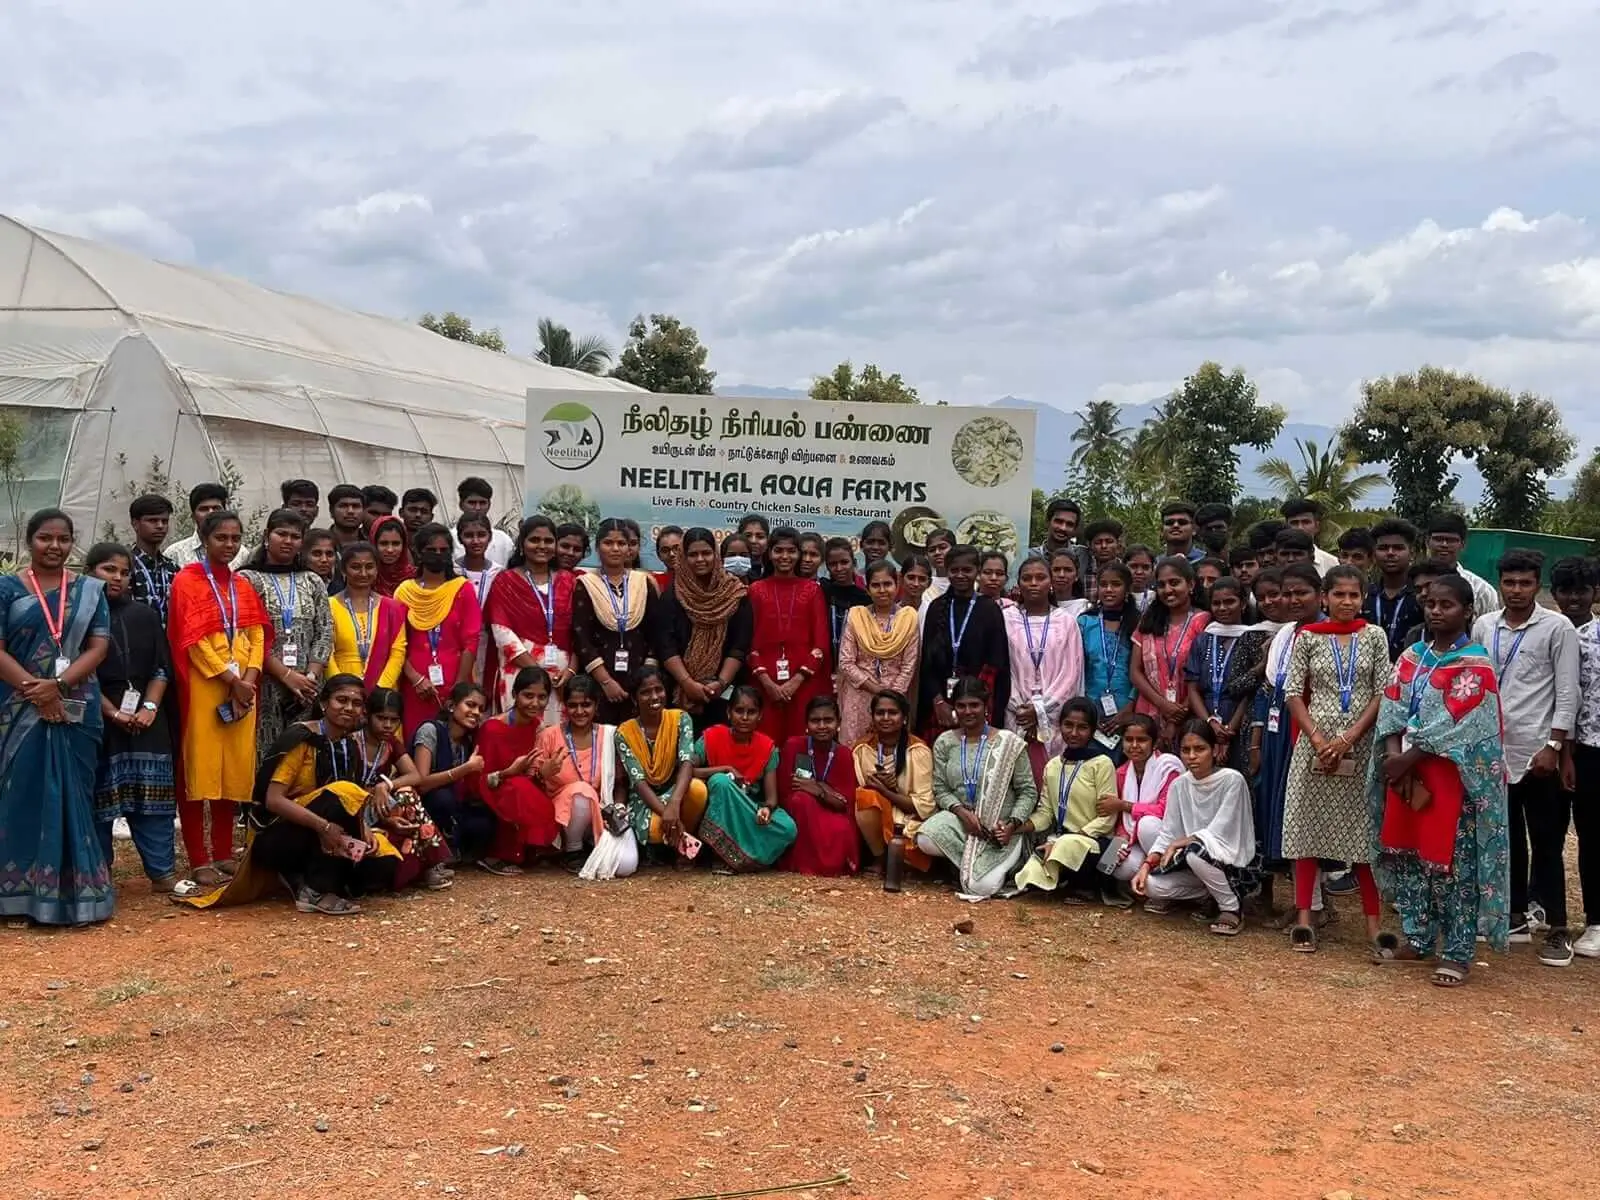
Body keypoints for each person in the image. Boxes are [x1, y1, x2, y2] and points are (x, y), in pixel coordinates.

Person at [1375, 574, 1511, 985]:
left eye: (1446, 605)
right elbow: (1392, 706)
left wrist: (1409, 756)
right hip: (1407, 772)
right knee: (1411, 857)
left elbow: (1463, 724)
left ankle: (1457, 950)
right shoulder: (1412, 656)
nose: (1436, 611)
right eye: (1431, 604)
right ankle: (1418, 939)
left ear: (1468, 611)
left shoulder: (1476, 664)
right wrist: (1395, 757)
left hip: (1453, 776)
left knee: (1454, 865)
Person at [182, 675, 395, 914]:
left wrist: (364, 829)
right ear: (324, 703)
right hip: (279, 834)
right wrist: (322, 826)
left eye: (356, 704)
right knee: (338, 796)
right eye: (341, 700)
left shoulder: (350, 745)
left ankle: (303, 878)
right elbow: (273, 800)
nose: (348, 708)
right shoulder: (301, 737)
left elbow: (353, 800)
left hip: (327, 830)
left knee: (385, 864)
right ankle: (316, 890)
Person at [0, 511, 113, 925]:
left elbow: (98, 647)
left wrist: (59, 686)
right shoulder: (7, 588)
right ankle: (15, 896)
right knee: (20, 794)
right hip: (17, 705)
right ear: (30, 541)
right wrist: (37, 690)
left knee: (74, 794)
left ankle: (76, 894)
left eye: (63, 539)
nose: (54, 546)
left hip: (76, 704)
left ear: (72, 543)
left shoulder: (89, 590)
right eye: (45, 538)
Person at [1471, 549, 1579, 963]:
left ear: (1538, 585)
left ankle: (1557, 927)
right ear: (1500, 584)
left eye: (1525, 583)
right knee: (1507, 836)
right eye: (1510, 583)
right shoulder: (1484, 625)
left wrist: (1553, 746)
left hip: (1538, 751)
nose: (1516, 591)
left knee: (1547, 841)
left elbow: (1568, 692)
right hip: (1495, 750)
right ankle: (1514, 916)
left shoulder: (1557, 628)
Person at [1280, 565, 1392, 953]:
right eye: (1339, 595)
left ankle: (1374, 927)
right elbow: (1293, 691)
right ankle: (1305, 921)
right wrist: (1317, 738)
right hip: (1315, 743)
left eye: (1354, 595)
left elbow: (1383, 691)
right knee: (1306, 829)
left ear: (1363, 598)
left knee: (1361, 834)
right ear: (1325, 598)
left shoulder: (1374, 636)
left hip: (1359, 743)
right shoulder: (1308, 637)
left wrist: (1349, 737)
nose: (1347, 602)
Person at [168, 510, 267, 885]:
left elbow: (257, 633)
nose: (228, 545)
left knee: (233, 771)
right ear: (204, 539)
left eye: (234, 538)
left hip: (244, 690)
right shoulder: (188, 581)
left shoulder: (242, 585)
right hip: (206, 687)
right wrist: (231, 678)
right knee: (200, 771)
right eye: (220, 538)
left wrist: (250, 678)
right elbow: (190, 641)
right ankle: (198, 857)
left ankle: (224, 853)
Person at [86, 543, 178, 892]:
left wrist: (150, 708)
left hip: (146, 715)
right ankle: (97, 874)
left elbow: (161, 667)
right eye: (109, 570)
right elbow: (77, 671)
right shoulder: (77, 616)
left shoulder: (144, 614)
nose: (118, 578)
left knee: (154, 800)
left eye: (125, 572)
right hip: (96, 713)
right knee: (98, 798)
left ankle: (161, 872)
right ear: (90, 571)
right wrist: (110, 711)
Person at [1131, 720, 1257, 934]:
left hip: (1231, 863)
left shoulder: (1232, 780)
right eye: (1186, 750)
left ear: (1215, 750)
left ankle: (1231, 907)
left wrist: (1180, 843)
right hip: (1194, 861)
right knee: (1151, 886)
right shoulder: (1180, 784)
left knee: (1195, 853)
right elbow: (1168, 832)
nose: (1192, 756)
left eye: (1199, 749)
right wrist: (1145, 866)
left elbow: (1222, 830)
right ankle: (1206, 895)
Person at [915, 678, 1036, 897]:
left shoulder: (1008, 742)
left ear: (986, 706)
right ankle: (973, 864)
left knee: (981, 888)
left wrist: (1011, 824)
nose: (967, 711)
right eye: (961, 706)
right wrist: (962, 813)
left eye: (974, 705)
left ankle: (1004, 864)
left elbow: (1028, 791)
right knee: (925, 837)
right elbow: (940, 788)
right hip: (963, 823)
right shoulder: (945, 742)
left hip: (1000, 829)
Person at [1252, 563, 1323, 913]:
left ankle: (1315, 906)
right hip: (1278, 730)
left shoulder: (1328, 634)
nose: (1293, 600)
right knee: (1281, 813)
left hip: (1311, 730)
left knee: (1306, 816)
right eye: (1288, 593)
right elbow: (1269, 686)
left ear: (1319, 595)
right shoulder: (1284, 634)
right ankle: (1300, 902)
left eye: (1301, 593)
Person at [241, 509, 333, 764]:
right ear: (266, 536)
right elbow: (248, 637)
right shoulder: (247, 579)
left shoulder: (313, 580)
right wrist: (286, 676)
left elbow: (325, 630)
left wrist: (310, 678)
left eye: (295, 536)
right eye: (281, 533)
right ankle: (260, 804)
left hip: (308, 688)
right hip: (264, 682)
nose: (288, 541)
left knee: (303, 757)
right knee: (264, 755)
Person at [350, 687, 453, 891]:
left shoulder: (389, 744)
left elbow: (415, 775)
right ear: (367, 715)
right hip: (354, 808)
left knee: (406, 792)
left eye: (394, 720)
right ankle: (430, 865)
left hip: (378, 805)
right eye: (381, 718)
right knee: (407, 797)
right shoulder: (352, 741)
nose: (387, 725)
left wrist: (385, 785)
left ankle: (429, 866)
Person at [1014, 699, 1120, 895]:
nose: (1073, 733)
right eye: (1068, 725)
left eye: (1082, 727)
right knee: (1028, 875)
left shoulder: (1102, 763)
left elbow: (1107, 818)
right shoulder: (1053, 766)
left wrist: (1071, 838)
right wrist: (1017, 827)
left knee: (1064, 847)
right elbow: (1045, 813)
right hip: (1061, 841)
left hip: (1095, 842)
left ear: (1092, 730)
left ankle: (1081, 884)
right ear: (1060, 725)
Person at [693, 686, 796, 871]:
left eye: (751, 712)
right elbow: (687, 771)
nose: (745, 717)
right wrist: (725, 769)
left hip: (750, 808)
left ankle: (747, 859)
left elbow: (772, 799)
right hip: (717, 808)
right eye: (739, 711)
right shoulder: (711, 737)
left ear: (760, 716)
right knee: (720, 781)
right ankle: (721, 855)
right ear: (729, 712)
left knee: (788, 828)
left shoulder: (767, 748)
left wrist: (766, 809)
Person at [657, 526, 751, 728]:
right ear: (684, 557)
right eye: (693, 554)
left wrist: (720, 683)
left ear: (716, 555)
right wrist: (688, 684)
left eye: (706, 553)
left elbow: (739, 645)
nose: (700, 559)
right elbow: (666, 645)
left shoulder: (734, 593)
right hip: (680, 690)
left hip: (724, 690)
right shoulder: (672, 596)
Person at [485, 515, 577, 720]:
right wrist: (539, 673)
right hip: (520, 674)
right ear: (522, 544)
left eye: (548, 541)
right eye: (534, 540)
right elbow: (502, 633)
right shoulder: (505, 581)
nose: (541, 546)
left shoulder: (569, 581)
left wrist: (570, 671)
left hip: (562, 680)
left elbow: (580, 632)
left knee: (556, 741)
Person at [396, 523, 484, 736]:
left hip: (457, 680)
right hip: (416, 685)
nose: (438, 555)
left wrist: (460, 689)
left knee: (454, 740)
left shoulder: (462, 588)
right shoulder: (404, 592)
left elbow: (471, 640)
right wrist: (416, 679)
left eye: (444, 551)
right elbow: (396, 644)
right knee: (417, 739)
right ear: (418, 552)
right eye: (431, 550)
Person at [573, 518, 662, 725]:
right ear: (597, 547)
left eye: (621, 543)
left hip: (640, 682)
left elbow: (655, 632)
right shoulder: (586, 584)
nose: (615, 549)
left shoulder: (644, 582)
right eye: (608, 543)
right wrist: (605, 681)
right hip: (599, 681)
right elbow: (581, 636)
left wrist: (646, 680)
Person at [474, 666, 562, 874]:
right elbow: (479, 779)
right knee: (518, 788)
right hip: (494, 788)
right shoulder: (492, 728)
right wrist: (508, 773)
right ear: (514, 695)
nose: (535, 703)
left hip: (522, 788)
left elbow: (533, 775)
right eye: (528, 696)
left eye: (542, 697)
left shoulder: (538, 728)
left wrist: (544, 773)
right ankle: (497, 856)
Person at [747, 526, 831, 741]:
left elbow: (821, 645)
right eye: (778, 550)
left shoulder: (812, 590)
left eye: (791, 551)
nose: (785, 556)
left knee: (800, 742)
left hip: (804, 683)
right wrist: (767, 682)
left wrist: (795, 682)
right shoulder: (756, 590)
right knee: (765, 741)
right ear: (769, 553)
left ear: (798, 554)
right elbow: (749, 643)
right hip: (764, 682)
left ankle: (801, 777)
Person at [918, 545, 1010, 737]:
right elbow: (927, 663)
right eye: (954, 570)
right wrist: (939, 702)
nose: (960, 575)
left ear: (977, 571)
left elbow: (996, 664)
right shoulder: (936, 607)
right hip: (941, 706)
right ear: (947, 571)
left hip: (978, 704)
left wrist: (974, 704)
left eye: (967, 570)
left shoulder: (989, 609)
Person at [617, 667, 707, 858]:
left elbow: (686, 763)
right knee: (655, 831)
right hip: (644, 800)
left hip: (675, 791)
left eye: (659, 689)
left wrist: (674, 804)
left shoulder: (680, 719)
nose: (654, 697)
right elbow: (639, 782)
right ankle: (679, 841)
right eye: (645, 692)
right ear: (634, 698)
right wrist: (668, 814)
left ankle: (682, 847)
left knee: (698, 790)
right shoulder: (624, 733)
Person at [1184, 576, 1269, 772]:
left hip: (1240, 720)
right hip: (1204, 721)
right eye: (1216, 603)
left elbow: (1251, 689)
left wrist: (1231, 728)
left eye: (1229, 601)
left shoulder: (1253, 637)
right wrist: (1209, 722)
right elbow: (1193, 688)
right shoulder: (1203, 639)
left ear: (1244, 603)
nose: (1223, 608)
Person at [1004, 555, 1083, 757]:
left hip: (1053, 715)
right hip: (1016, 712)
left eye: (1040, 577)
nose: (1033, 583)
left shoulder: (1066, 622)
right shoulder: (1007, 619)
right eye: (1027, 578)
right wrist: (1020, 708)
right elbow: (1003, 667)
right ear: (1018, 583)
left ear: (1050, 582)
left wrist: (1040, 710)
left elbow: (1071, 673)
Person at [836, 561, 920, 745]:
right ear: (867, 589)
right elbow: (846, 662)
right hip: (859, 694)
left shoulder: (908, 619)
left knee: (889, 749)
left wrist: (891, 696)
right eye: (876, 585)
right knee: (854, 749)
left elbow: (908, 665)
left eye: (887, 584)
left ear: (897, 586)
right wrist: (877, 690)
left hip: (894, 698)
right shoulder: (856, 617)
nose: (882, 590)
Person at [776, 695, 861, 876]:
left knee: (840, 827)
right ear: (806, 724)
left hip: (831, 810)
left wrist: (818, 790)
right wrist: (823, 791)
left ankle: (830, 866)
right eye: (815, 721)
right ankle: (804, 863)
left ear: (838, 723)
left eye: (828, 720)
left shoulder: (844, 754)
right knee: (800, 800)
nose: (822, 726)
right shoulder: (793, 746)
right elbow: (785, 792)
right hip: (801, 809)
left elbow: (844, 804)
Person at [1562, 557, 1600, 958]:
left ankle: (1597, 920)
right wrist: (1564, 750)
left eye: (1583, 590)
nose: (1574, 598)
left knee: (1593, 837)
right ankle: (1592, 921)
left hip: (1590, 749)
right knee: (1581, 838)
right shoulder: (1568, 636)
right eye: (1567, 591)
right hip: (1574, 750)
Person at [853, 689, 935, 873]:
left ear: (904, 718)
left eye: (893, 713)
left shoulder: (918, 751)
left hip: (909, 821)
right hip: (874, 819)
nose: (886, 718)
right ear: (872, 717)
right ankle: (880, 858)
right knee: (864, 796)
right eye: (880, 713)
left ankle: (899, 859)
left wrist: (887, 791)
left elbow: (925, 807)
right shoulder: (862, 749)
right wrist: (876, 790)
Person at [534, 673, 615, 858]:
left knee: (627, 864)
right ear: (565, 706)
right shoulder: (549, 736)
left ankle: (592, 842)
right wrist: (543, 773)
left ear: (596, 705)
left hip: (602, 811)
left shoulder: (609, 735)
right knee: (581, 791)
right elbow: (531, 783)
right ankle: (573, 849)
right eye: (572, 705)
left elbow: (619, 781)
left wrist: (617, 809)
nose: (579, 711)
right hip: (560, 817)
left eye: (586, 704)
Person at [1130, 557, 1210, 744]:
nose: (1167, 590)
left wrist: (1177, 715)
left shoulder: (1204, 621)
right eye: (1161, 585)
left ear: (1190, 585)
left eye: (1174, 583)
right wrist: (1163, 705)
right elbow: (1135, 671)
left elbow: (1205, 674)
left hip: (1189, 714)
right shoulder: (1148, 621)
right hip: (1149, 714)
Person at [411, 683, 491, 863]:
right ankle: (435, 852)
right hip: (424, 806)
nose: (476, 712)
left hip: (454, 807)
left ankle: (458, 849)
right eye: (470, 705)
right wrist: (466, 769)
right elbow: (421, 783)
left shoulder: (467, 741)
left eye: (481, 708)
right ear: (451, 706)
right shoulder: (430, 730)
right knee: (442, 798)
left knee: (483, 819)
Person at [1107, 715, 1184, 890]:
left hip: (1168, 835)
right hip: (1134, 836)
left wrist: (1124, 805)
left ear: (1154, 743)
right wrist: (1121, 838)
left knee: (1147, 825)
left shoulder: (1168, 767)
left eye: (1141, 740)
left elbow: (1166, 810)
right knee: (1116, 865)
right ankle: (1145, 876)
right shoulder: (1121, 773)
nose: (1134, 746)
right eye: (1128, 740)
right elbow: (1121, 820)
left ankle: (1167, 879)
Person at [328, 542, 408, 689]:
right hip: (341, 687)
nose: (363, 573)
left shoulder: (392, 608)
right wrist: (341, 687)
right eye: (356, 567)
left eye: (369, 567)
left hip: (383, 689)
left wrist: (382, 687)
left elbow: (398, 652)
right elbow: (327, 652)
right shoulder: (329, 606)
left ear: (377, 569)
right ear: (344, 570)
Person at [1081, 562, 1138, 747]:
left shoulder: (1139, 623)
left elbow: (1143, 670)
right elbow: (1077, 669)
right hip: (1090, 708)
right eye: (1103, 584)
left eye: (1116, 584)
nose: (1108, 590)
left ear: (1127, 588)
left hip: (1128, 709)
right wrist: (1087, 711)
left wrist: (1130, 706)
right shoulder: (1085, 622)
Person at [455, 512, 504, 692]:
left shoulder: (500, 574)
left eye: (481, 535)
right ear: (460, 538)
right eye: (468, 535)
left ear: (490, 537)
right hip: (457, 643)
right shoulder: (452, 571)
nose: (475, 541)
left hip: (489, 643)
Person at [1365, 518, 1422, 662]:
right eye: (1383, 548)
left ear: (1412, 553)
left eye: (1398, 548)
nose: (1390, 553)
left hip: (1411, 676)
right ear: (1374, 554)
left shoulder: (1422, 597)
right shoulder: (1363, 596)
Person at [1425, 511, 1498, 617]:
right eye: (1438, 539)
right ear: (1427, 542)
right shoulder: (1412, 583)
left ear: (1462, 545)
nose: (1444, 545)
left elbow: (1491, 627)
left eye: (1451, 540)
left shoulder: (1481, 590)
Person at [166, 483, 250, 568]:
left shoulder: (241, 554)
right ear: (193, 517)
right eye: (204, 509)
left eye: (216, 508)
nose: (211, 513)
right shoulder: (175, 553)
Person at [127, 494, 180, 623]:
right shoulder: (125, 565)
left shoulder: (173, 568)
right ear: (135, 524)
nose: (160, 526)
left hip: (167, 640)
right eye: (152, 521)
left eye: (164, 521)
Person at [821, 537, 871, 661]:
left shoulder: (865, 598)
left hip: (856, 665)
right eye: (833, 564)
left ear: (854, 563)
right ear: (826, 566)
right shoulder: (822, 592)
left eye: (844, 562)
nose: (839, 568)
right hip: (825, 664)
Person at [454, 478, 515, 567]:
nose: (477, 508)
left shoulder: (504, 541)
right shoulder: (450, 539)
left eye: (482, 503)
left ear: (489, 505)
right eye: (472, 503)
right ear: (461, 504)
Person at [1034, 497, 1092, 585]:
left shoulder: (1084, 555)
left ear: (1075, 529)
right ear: (1047, 522)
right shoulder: (1029, 555)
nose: (1063, 528)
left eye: (1069, 524)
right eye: (1059, 521)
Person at [1281, 498, 1338, 572]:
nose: (1300, 528)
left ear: (1317, 526)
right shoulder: (1274, 563)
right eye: (1294, 523)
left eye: (1306, 522)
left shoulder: (1332, 564)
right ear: (1286, 527)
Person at [1080, 519, 1124, 605]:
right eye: (1098, 542)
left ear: (1118, 544)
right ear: (1090, 546)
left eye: (1109, 542)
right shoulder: (1083, 571)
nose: (1104, 546)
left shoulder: (1126, 571)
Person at [371, 515, 415, 597]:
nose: (390, 550)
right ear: (374, 544)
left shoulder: (415, 578)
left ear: (404, 545)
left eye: (396, 543)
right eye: (383, 543)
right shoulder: (366, 578)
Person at [1553, 555, 1597, 627]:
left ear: (1595, 593)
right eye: (1566, 591)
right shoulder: (1542, 631)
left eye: (1581, 590)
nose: (1574, 597)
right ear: (1554, 594)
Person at [1049, 548, 1089, 617]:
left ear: (1077, 575)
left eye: (1068, 570)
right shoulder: (1039, 606)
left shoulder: (1085, 607)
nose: (1062, 575)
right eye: (1056, 570)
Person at [326, 484, 367, 549]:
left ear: (364, 511)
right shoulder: (318, 543)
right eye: (343, 506)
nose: (350, 511)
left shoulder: (374, 544)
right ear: (331, 511)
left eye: (356, 506)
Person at [921, 528, 956, 605]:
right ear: (926, 555)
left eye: (943, 547)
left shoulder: (969, 582)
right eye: (932, 550)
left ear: (954, 549)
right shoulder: (924, 584)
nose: (937, 553)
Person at [303, 529, 341, 596]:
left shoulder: (341, 589)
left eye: (329, 554)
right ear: (304, 555)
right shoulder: (294, 588)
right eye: (317, 554)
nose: (324, 560)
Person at [898, 553, 934, 617]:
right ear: (901, 579)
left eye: (922, 579)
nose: (916, 584)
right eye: (911, 578)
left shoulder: (933, 613)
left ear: (929, 583)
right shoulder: (890, 613)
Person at [737, 514, 771, 581]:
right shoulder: (729, 569)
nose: (753, 541)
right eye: (748, 536)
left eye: (760, 536)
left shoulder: (775, 569)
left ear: (768, 539)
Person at [1124, 545, 1157, 610]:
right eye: (1133, 566)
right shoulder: (1115, 597)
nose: (1139, 572)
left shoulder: (1156, 599)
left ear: (1152, 570)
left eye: (1145, 567)